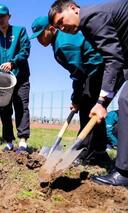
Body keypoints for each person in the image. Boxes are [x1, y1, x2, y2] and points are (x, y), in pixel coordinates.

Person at [49, 0, 128, 186]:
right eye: (57, 26)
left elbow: (113, 59)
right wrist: (104, 99)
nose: (62, 28)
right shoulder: (86, 27)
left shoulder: (91, 18)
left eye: (61, 21)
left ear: (73, 8)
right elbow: (118, 58)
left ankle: (124, 173)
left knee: (126, 101)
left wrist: (101, 102)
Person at [30, 16, 110, 165]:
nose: (40, 40)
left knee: (88, 108)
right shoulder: (59, 40)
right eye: (37, 37)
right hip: (93, 70)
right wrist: (76, 98)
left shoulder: (63, 44)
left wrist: (75, 99)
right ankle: (99, 152)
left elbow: (78, 74)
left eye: (41, 34)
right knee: (93, 109)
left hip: (96, 68)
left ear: (51, 28)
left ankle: (84, 152)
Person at [0, 4, 31, 153]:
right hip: (3, 82)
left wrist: (13, 63)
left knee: (21, 107)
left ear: (9, 17)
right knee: (4, 110)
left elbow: (25, 51)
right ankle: (8, 142)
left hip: (20, 78)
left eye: (2, 16)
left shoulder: (20, 32)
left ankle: (23, 141)